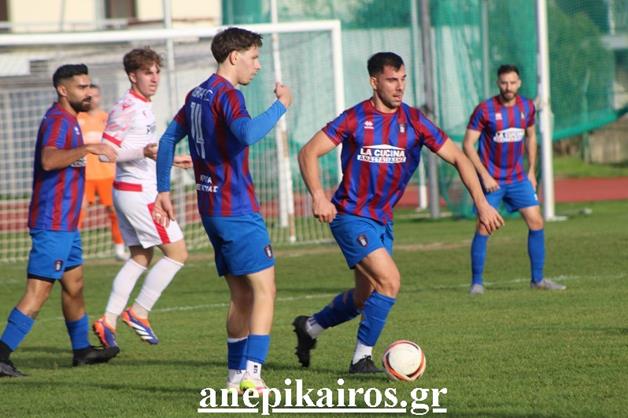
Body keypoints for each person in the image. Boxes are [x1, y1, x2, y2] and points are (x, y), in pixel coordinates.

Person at [293, 52, 504, 373]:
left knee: (364, 296)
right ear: (374, 81)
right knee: (390, 282)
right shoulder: (354, 118)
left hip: (382, 220)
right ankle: (361, 359)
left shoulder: (414, 121)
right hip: (350, 216)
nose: (400, 86)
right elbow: (308, 152)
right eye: (392, 80)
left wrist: (482, 203)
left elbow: (459, 158)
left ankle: (309, 328)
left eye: (403, 79)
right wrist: (319, 197)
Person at [152, 27, 292, 394]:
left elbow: (168, 139)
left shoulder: (197, 93)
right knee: (265, 291)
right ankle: (253, 375)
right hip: (237, 209)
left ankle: (233, 378)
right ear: (234, 57)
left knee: (241, 296)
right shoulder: (229, 95)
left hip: (211, 209)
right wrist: (281, 105)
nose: (257, 66)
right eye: (254, 57)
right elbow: (247, 133)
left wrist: (163, 190)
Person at [0, 64, 120, 377]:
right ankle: (1, 354)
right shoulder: (58, 121)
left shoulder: (71, 120)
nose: (88, 92)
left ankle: (81, 351)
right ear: (63, 90)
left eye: (89, 86)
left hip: (67, 223)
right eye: (82, 87)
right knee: (38, 292)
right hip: (52, 222)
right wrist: (88, 147)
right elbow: (49, 159)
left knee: (74, 286)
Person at [91, 47, 191, 350]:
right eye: (148, 72)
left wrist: (170, 160)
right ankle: (139, 312)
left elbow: (143, 150)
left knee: (140, 257)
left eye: (157, 72)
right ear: (132, 76)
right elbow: (106, 153)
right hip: (139, 194)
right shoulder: (126, 107)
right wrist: (143, 152)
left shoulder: (143, 105)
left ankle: (108, 320)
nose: (155, 78)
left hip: (131, 190)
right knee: (177, 253)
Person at [463, 64, 566, 295]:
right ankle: (477, 283)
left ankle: (537, 280)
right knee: (484, 226)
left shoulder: (527, 107)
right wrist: (484, 175)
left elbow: (531, 137)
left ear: (519, 83)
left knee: (536, 222)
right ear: (498, 83)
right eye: (504, 82)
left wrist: (531, 171)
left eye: (512, 82)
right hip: (493, 180)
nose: (508, 87)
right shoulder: (485, 110)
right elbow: (468, 145)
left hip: (518, 178)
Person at [77, 84, 129, 261]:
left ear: (100, 97)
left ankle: (119, 249)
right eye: (88, 96)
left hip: (107, 174)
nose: (92, 99)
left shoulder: (107, 119)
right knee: (78, 212)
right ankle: (72, 249)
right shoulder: (77, 119)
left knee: (114, 211)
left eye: (95, 95)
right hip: (84, 176)